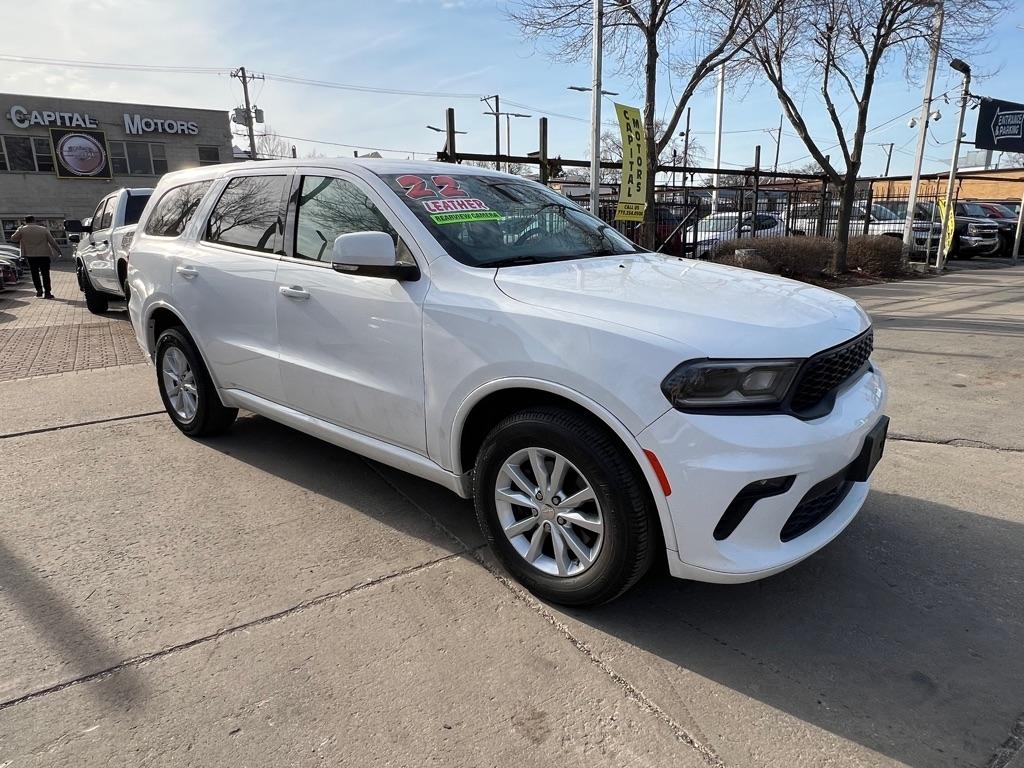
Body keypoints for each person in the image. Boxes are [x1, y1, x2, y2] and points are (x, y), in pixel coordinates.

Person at [11, 216, 60, 299]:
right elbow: (52, 241)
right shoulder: (43, 229)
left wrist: (18, 229)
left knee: (35, 274)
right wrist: (58, 250)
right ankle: (47, 292)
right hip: (44, 255)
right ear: (34, 220)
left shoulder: (22, 230)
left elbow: (13, 239)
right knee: (45, 274)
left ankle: (39, 290)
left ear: (25, 221)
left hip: (31, 255)